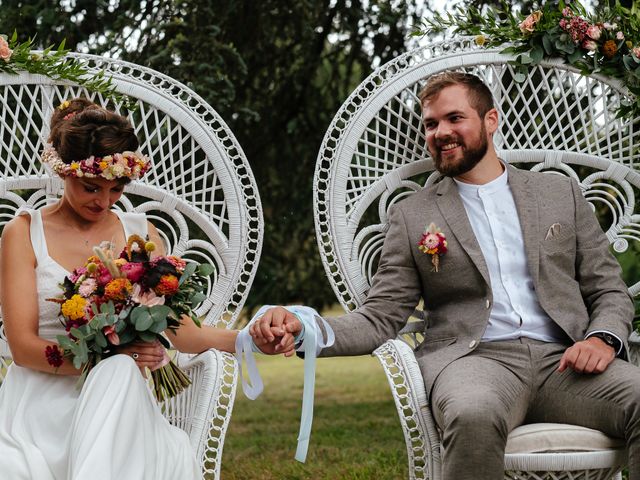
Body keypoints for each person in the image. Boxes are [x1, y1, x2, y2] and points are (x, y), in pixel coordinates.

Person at [251, 72, 640, 479]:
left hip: (565, 361)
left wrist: (602, 338)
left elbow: (608, 287)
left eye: (455, 118)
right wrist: (303, 329)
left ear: (491, 120)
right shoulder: (414, 215)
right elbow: (380, 316)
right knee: (473, 414)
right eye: (431, 124)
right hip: (474, 362)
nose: (441, 132)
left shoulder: (559, 193)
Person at [0, 98, 293, 480]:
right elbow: (22, 349)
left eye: (117, 188)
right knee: (119, 366)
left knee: (121, 371)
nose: (104, 201)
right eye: (91, 188)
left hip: (122, 404)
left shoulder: (142, 235)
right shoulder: (24, 233)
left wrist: (250, 339)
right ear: (62, 171)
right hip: (42, 404)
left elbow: (183, 333)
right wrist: (110, 355)